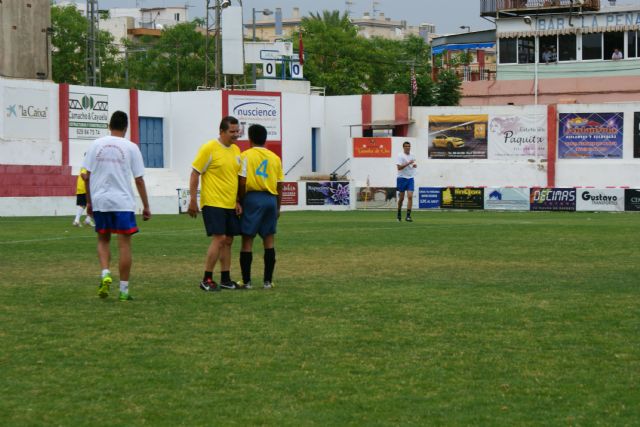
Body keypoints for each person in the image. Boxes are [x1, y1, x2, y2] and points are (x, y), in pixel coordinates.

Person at [83, 111, 151, 301]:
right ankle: (123, 290)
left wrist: (89, 201)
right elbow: (139, 179)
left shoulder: (96, 144)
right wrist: (146, 206)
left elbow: (85, 175)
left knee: (103, 240)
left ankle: (105, 273)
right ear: (126, 127)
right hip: (122, 201)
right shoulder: (131, 147)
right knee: (124, 245)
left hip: (100, 200)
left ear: (109, 125)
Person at [189, 116, 243, 292]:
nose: (235, 135)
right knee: (219, 239)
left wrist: (236, 201)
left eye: (237, 131)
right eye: (232, 131)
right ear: (221, 131)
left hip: (229, 204)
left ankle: (225, 279)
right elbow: (195, 173)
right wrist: (192, 199)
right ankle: (206, 278)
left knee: (228, 240)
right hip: (213, 202)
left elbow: (233, 177)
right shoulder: (209, 148)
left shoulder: (236, 150)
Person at [237, 124, 283, 290]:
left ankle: (246, 281)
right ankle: (267, 282)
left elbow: (242, 181)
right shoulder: (275, 158)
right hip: (270, 199)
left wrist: (241, 200)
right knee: (269, 240)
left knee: (247, 240)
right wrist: (278, 206)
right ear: (265, 139)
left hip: (252, 199)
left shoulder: (245, 156)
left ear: (250, 138)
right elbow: (280, 184)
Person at [396, 141, 417, 222]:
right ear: (403, 147)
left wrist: (414, 165)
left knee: (410, 196)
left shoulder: (412, 155)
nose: (408, 147)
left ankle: (408, 216)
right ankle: (399, 213)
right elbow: (399, 168)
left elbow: (413, 164)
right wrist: (408, 163)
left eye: (409, 146)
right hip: (401, 178)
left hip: (410, 178)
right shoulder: (400, 156)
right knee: (401, 198)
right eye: (406, 146)